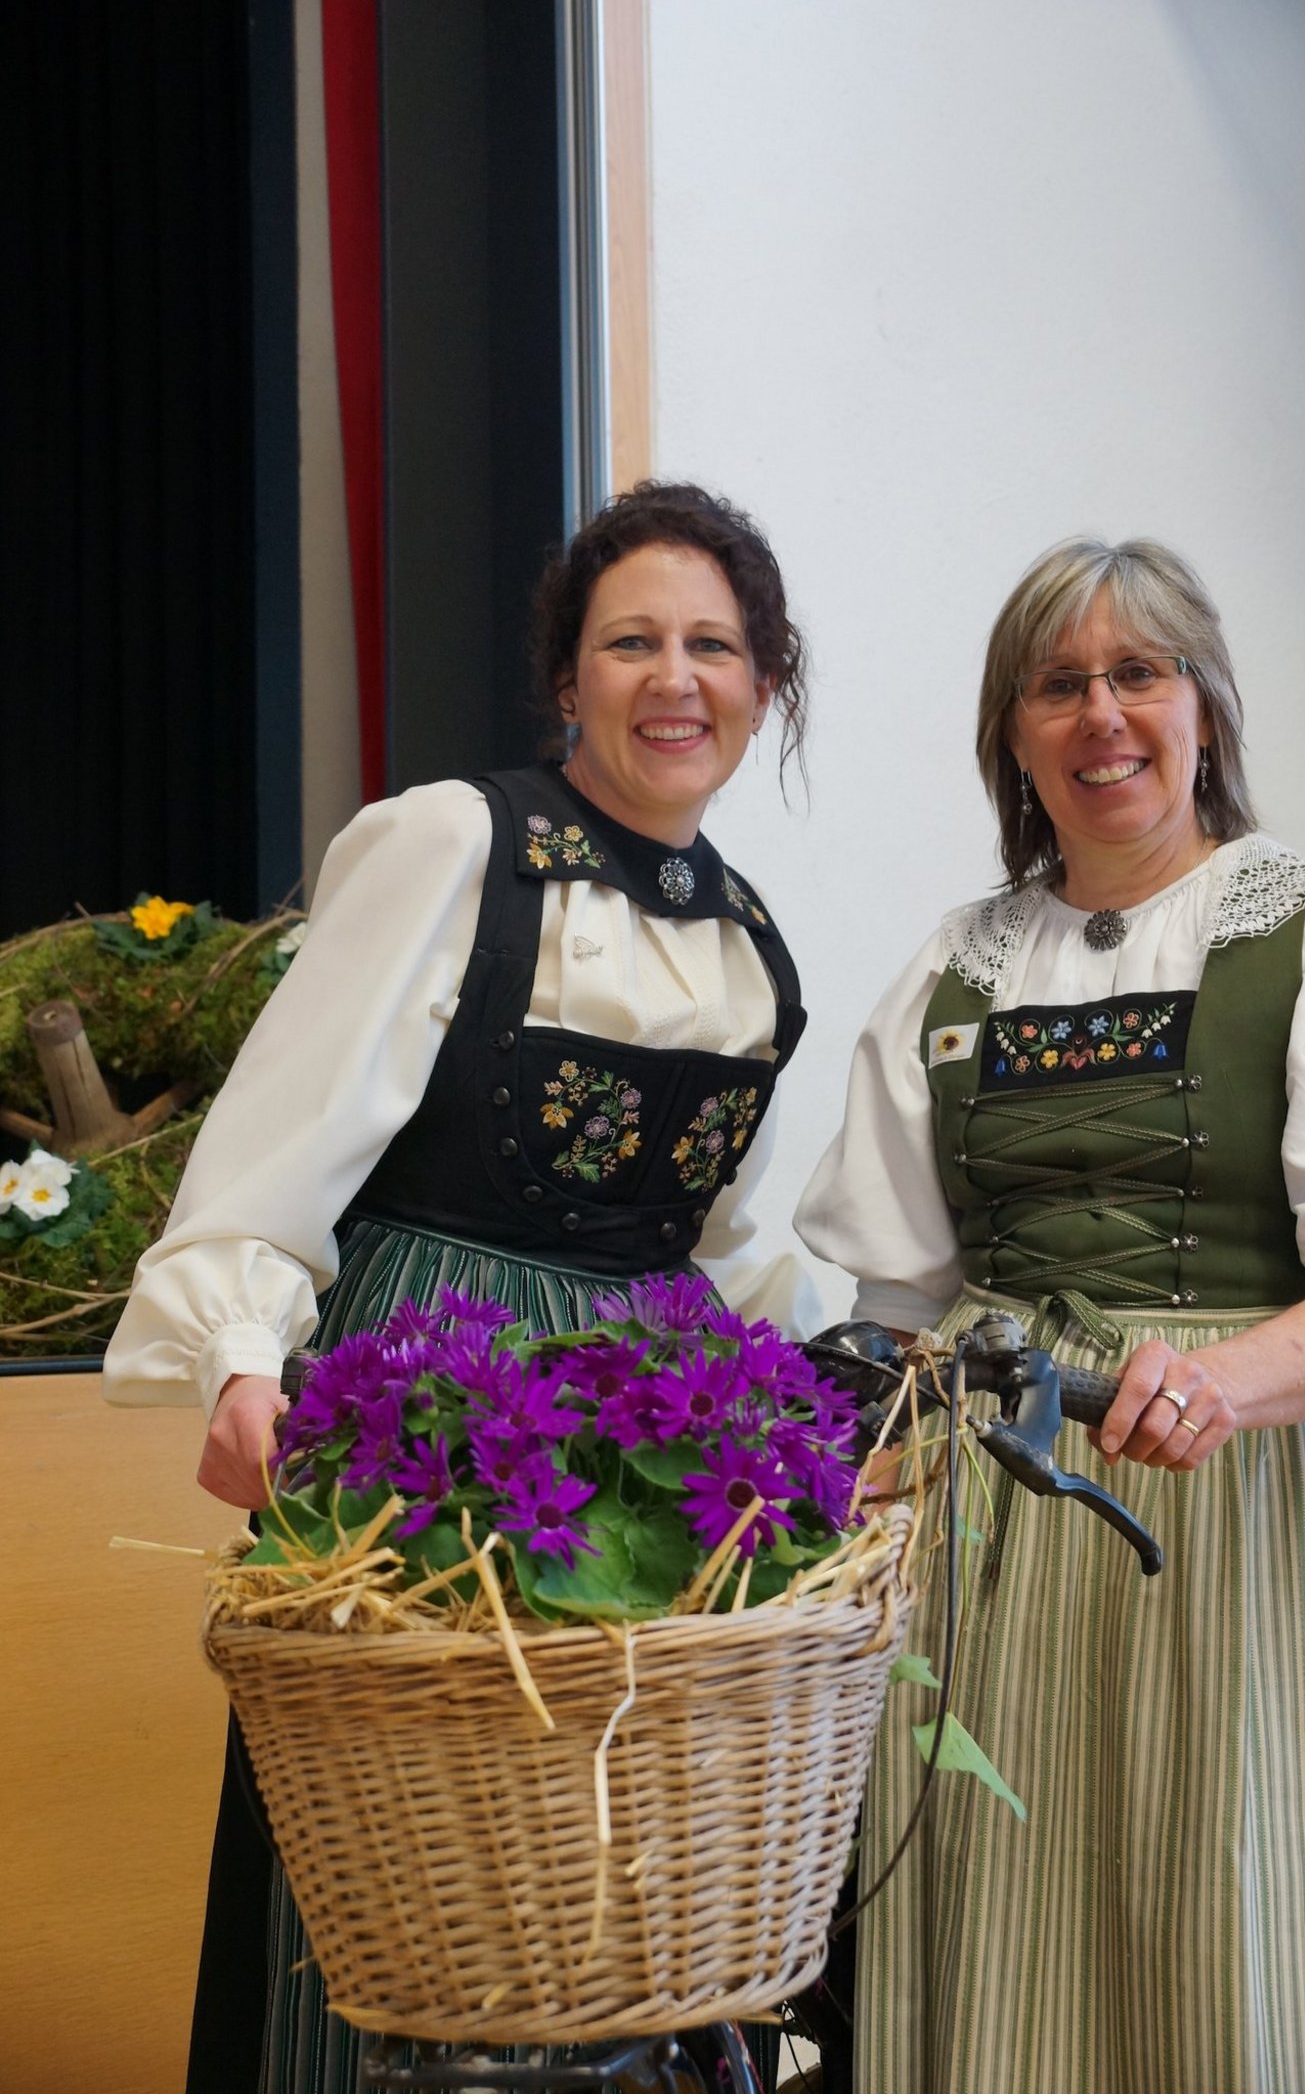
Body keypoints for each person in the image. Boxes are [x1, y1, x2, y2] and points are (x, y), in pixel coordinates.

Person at [104, 481, 819, 2094]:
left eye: (713, 646)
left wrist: (832, 1402)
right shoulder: (455, 841)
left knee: (604, 1881)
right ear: (568, 676)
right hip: (429, 1402)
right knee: (394, 1856)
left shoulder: (753, 949)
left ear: (763, 686)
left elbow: (721, 1238)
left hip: (637, 1455)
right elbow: (288, 1124)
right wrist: (237, 1350)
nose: (674, 677)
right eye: (630, 641)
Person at [796, 537, 1305, 2094]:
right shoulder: (957, 964)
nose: (1102, 714)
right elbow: (896, 1299)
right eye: (1058, 684)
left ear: (1205, 708)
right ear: (1014, 733)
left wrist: (1218, 1384)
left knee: (1230, 1901)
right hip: (989, 1496)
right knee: (1005, 1888)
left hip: (1247, 1494)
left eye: (1139, 673)